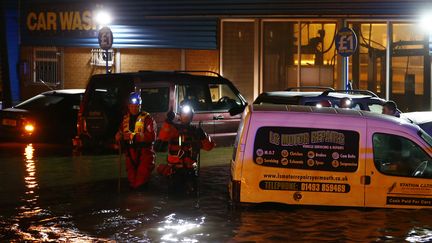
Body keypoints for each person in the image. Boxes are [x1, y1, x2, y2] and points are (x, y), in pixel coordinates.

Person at [156, 105, 215, 194]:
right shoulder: (173, 129)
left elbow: (209, 147)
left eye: (188, 114)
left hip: (190, 171)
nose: (186, 116)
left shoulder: (196, 131)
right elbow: (163, 137)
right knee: (175, 195)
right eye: (184, 114)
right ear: (180, 115)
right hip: (175, 171)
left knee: (191, 195)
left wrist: (203, 136)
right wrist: (168, 121)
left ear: (191, 116)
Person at [115, 91, 156, 190]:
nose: (134, 108)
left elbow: (152, 136)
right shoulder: (125, 119)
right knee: (132, 183)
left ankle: (142, 203)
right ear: (128, 106)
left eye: (136, 106)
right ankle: (133, 204)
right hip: (130, 153)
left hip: (145, 154)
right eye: (132, 106)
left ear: (140, 105)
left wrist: (133, 136)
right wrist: (118, 136)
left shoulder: (148, 119)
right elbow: (121, 132)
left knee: (140, 183)